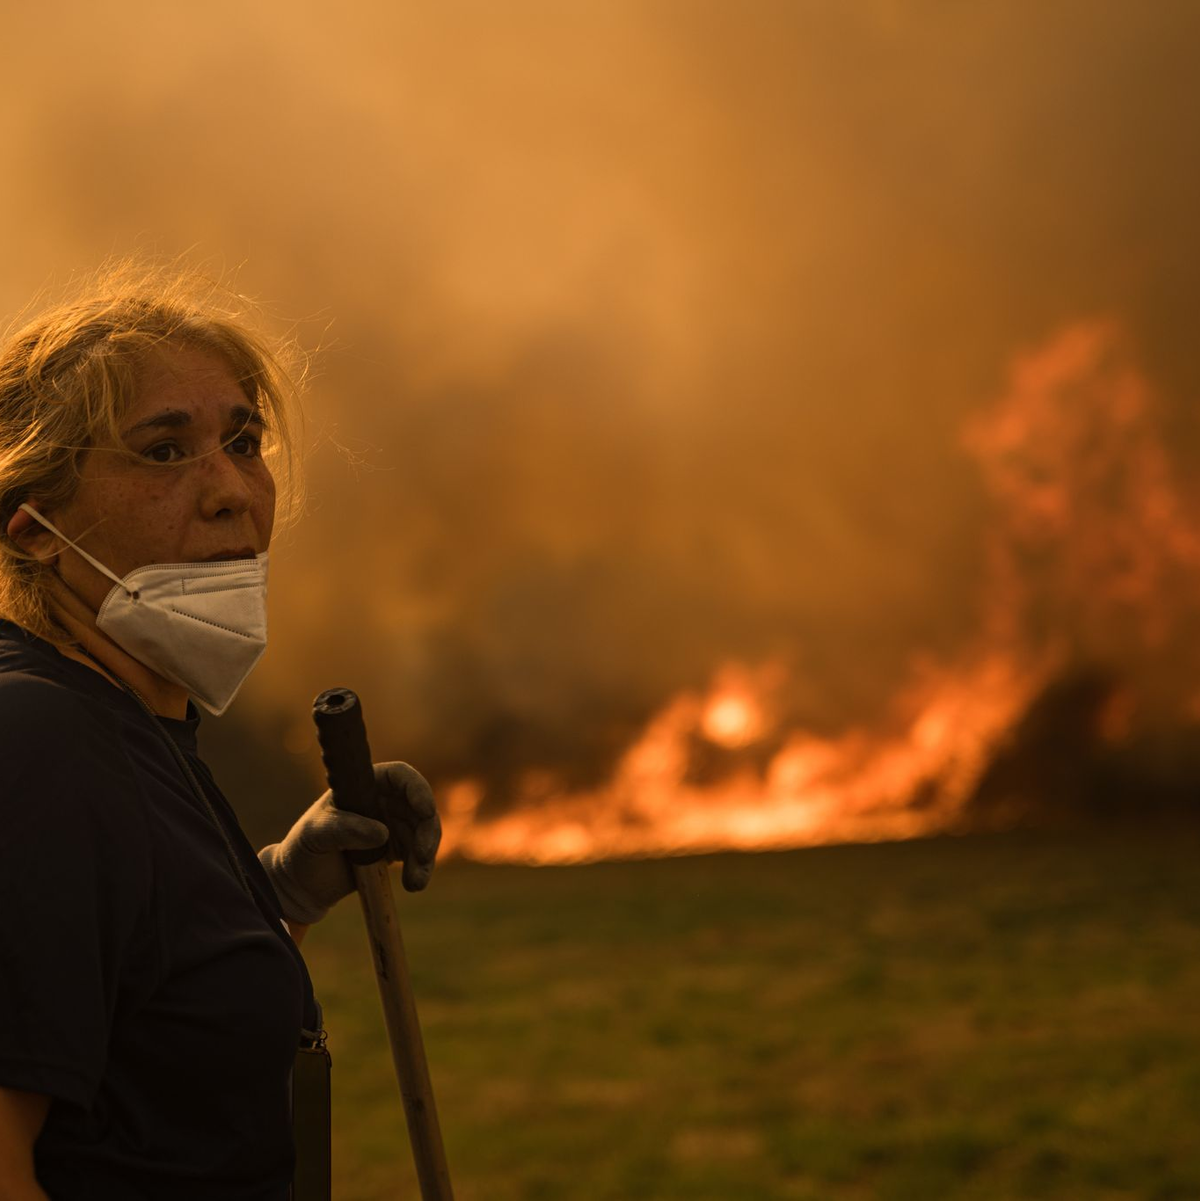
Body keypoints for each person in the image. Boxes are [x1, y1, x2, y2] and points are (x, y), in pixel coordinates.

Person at [0, 267, 441, 1199]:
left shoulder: (129, 722)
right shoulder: (36, 740)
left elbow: (141, 1016)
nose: (232, 489)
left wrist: (283, 886)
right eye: (165, 451)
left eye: (245, 441)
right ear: (33, 527)